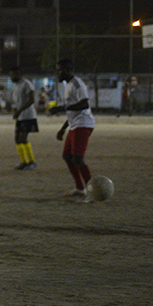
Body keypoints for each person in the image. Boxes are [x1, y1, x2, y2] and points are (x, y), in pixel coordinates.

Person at [49, 59, 96, 201]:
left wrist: (61, 108)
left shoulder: (77, 83)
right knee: (67, 156)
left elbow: (84, 104)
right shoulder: (67, 85)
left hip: (83, 124)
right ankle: (80, 188)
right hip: (75, 124)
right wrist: (63, 128)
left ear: (68, 71)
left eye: (59, 70)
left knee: (78, 158)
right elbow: (71, 110)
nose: (57, 73)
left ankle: (92, 193)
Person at [8, 65, 38, 170]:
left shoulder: (26, 84)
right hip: (20, 116)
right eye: (10, 75)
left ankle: (32, 161)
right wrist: (15, 110)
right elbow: (17, 101)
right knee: (17, 139)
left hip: (28, 116)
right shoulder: (15, 86)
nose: (11, 77)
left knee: (23, 138)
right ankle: (24, 162)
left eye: (13, 75)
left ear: (19, 74)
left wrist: (19, 111)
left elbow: (31, 100)